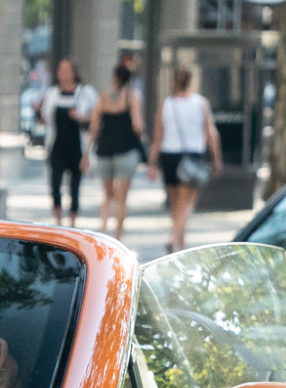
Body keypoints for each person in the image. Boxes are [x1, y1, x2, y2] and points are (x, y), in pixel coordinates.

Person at [154, 65, 221, 253]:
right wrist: (216, 158)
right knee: (187, 203)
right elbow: (210, 132)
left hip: (169, 156)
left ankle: (179, 245)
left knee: (175, 204)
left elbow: (158, 135)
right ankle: (173, 237)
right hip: (192, 156)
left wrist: (152, 162)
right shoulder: (200, 103)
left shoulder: (166, 104)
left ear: (174, 82)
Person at [90, 62, 148, 239]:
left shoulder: (102, 98)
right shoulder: (132, 97)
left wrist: (86, 153)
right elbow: (137, 125)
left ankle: (103, 230)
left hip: (104, 150)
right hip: (126, 150)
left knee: (107, 195)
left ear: (114, 78)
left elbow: (94, 127)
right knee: (121, 198)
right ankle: (117, 236)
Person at [41, 60, 97, 226]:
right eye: (60, 70)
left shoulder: (85, 92)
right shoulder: (53, 94)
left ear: (74, 72)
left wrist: (80, 117)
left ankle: (72, 222)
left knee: (75, 185)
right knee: (55, 183)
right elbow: (46, 117)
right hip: (57, 144)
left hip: (77, 145)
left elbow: (96, 116)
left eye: (67, 70)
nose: (63, 73)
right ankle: (58, 219)